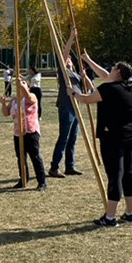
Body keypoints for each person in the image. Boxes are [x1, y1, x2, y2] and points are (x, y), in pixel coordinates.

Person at [73, 52, 132, 227]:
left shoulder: (108, 89)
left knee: (115, 175)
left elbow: (87, 99)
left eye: (113, 68)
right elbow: (105, 76)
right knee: (128, 173)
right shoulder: (129, 87)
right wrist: (88, 60)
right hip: (131, 136)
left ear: (117, 72)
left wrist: (74, 93)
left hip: (113, 138)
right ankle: (129, 213)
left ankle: (110, 217)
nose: (110, 70)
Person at [1, 73, 47, 190]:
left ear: (28, 87)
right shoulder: (14, 100)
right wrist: (3, 103)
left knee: (34, 156)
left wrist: (21, 85)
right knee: (21, 157)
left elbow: (28, 98)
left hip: (30, 131)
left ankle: (42, 182)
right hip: (18, 132)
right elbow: (6, 113)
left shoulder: (32, 96)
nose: (20, 86)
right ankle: (23, 179)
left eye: (24, 84)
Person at [49, 30, 83, 178]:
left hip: (76, 107)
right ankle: (54, 167)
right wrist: (71, 38)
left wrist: (84, 76)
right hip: (66, 107)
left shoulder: (75, 74)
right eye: (67, 58)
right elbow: (64, 54)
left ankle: (70, 166)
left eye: (70, 58)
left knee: (73, 138)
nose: (68, 59)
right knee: (64, 137)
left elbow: (87, 87)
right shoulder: (64, 72)